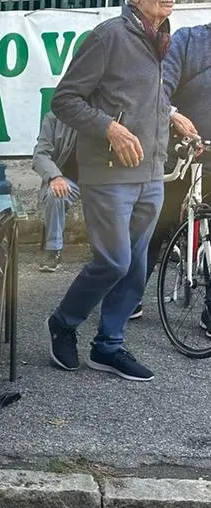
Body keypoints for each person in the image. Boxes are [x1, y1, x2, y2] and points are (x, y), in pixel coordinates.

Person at [45, 0, 174, 382]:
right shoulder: (109, 36)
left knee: (136, 267)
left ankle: (109, 346)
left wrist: (173, 115)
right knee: (115, 261)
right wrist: (109, 128)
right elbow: (65, 99)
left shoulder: (161, 37)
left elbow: (144, 98)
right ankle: (63, 323)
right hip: (109, 172)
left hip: (151, 173)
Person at [134, 22, 208, 333]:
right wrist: (173, 114)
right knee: (154, 228)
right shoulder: (190, 40)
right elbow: (159, 85)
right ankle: (129, 293)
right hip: (180, 152)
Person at [32, 111, 79, 273]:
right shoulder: (54, 118)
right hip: (69, 179)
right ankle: (53, 249)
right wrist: (55, 177)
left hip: (100, 179)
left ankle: (112, 251)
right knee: (56, 194)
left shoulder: (106, 112)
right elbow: (40, 155)